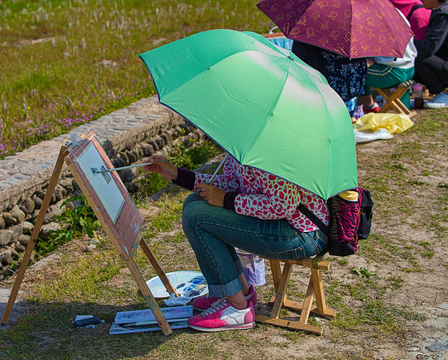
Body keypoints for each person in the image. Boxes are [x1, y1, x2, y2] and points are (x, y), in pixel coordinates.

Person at [144, 154, 329, 332]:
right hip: (283, 225)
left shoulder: (272, 149)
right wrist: (176, 174)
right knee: (195, 202)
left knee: (196, 217)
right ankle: (240, 290)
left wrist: (226, 199)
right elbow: (231, 184)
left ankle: (237, 308)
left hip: (301, 235)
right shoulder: (243, 144)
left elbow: (283, 205)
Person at [291, 41, 367, 120]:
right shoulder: (358, 37)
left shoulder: (311, 35)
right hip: (350, 92)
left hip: (322, 94)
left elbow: (297, 61)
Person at [360, 11, 418, 112]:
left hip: (392, 72)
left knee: (353, 73)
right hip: (409, 68)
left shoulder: (369, 16)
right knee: (359, 69)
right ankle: (369, 104)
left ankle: (364, 105)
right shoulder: (391, 10)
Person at [413, 0, 448, 108]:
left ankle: (443, 93)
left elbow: (430, 47)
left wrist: (408, 42)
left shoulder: (443, 15)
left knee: (417, 56)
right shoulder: (439, 11)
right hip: (443, 62)